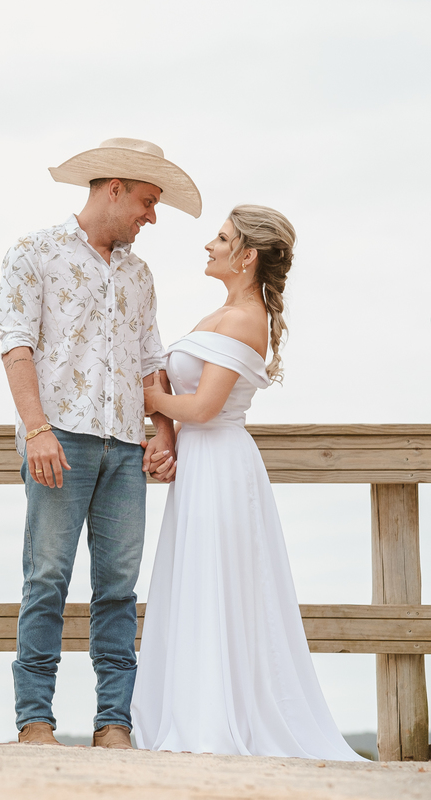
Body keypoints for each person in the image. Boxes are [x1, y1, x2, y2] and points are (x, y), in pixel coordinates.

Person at [130, 205, 365, 761]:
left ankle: (215, 718)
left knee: (217, 579)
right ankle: (195, 707)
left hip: (221, 465)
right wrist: (164, 430)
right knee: (198, 579)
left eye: (221, 238)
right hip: (201, 463)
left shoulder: (242, 318)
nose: (208, 245)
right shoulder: (224, 312)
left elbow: (206, 407)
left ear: (247, 255)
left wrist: (148, 397)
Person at [0, 138, 198, 749]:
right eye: (147, 200)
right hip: (60, 440)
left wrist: (162, 434)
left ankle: (115, 722)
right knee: (47, 578)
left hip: (124, 449)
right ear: (113, 188)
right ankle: (35, 720)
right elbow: (16, 345)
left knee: (117, 586)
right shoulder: (33, 253)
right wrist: (37, 430)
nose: (151, 216)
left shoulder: (139, 273)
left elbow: (149, 361)